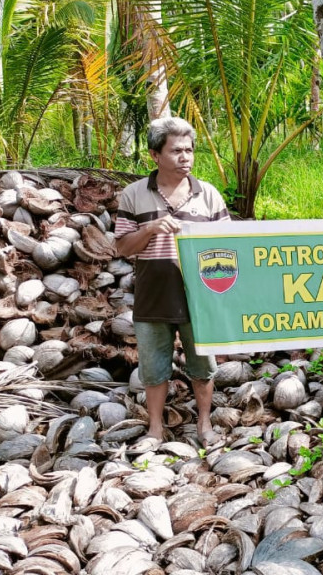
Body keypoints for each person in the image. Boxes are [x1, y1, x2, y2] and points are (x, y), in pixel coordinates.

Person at [114, 117, 231, 452]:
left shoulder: (208, 195)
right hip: (153, 294)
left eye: (189, 150)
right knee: (153, 367)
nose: (185, 157)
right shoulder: (134, 194)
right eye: (176, 150)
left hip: (201, 296)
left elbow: (229, 245)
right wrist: (150, 229)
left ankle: (204, 424)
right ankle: (155, 429)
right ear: (155, 155)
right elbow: (122, 247)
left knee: (202, 365)